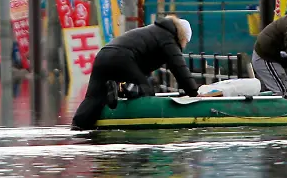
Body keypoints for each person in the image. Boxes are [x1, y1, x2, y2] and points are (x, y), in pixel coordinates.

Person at [71, 15, 199, 130]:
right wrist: (194, 93)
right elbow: (179, 68)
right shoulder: (168, 39)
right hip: (123, 58)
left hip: (103, 55)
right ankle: (121, 89)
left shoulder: (152, 31)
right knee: (146, 91)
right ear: (182, 37)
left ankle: (78, 125)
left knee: (93, 98)